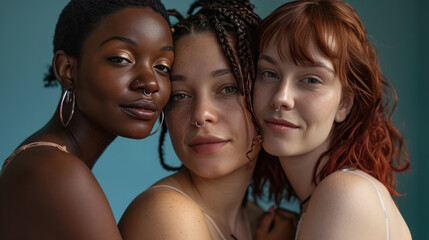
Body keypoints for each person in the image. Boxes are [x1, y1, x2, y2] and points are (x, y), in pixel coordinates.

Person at [119, 1, 295, 239]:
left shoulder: (257, 220)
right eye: (180, 95)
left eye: (228, 89)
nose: (200, 115)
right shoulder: (166, 211)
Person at [0, 0, 173, 239]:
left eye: (162, 67)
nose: (151, 83)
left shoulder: (45, 160)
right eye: (121, 59)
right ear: (67, 69)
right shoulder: (57, 173)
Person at [251, 0, 412, 239]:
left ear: (345, 103)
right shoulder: (323, 198)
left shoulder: (344, 194)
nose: (281, 98)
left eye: (311, 80)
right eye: (270, 73)